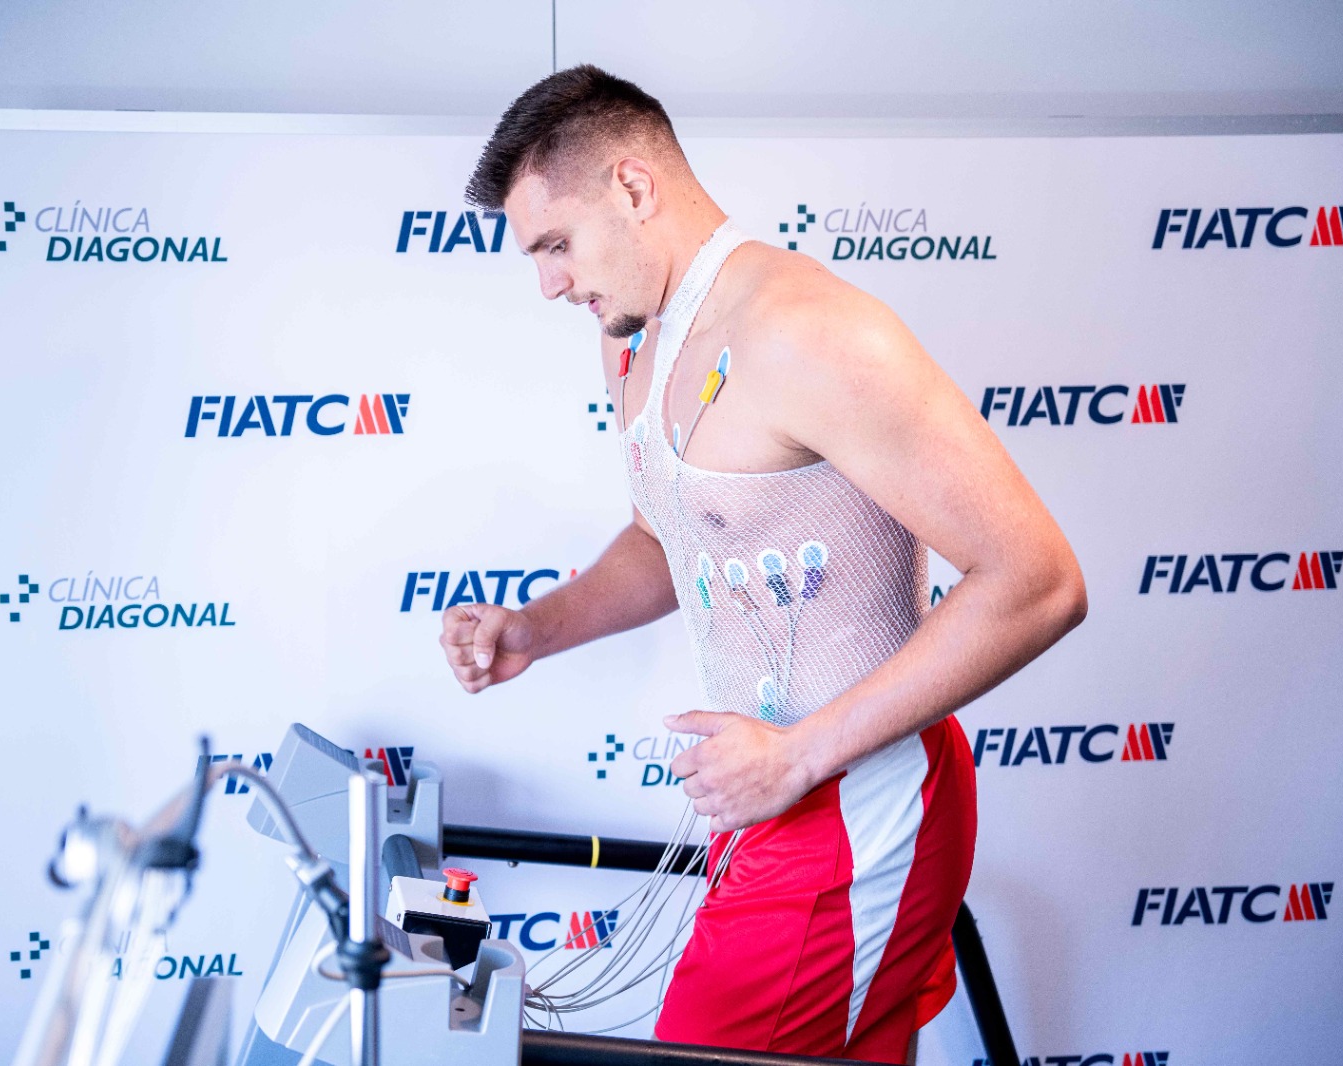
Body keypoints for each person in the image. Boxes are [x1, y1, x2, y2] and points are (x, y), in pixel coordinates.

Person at [438, 65, 1086, 1065]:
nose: (549, 284)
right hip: (770, 794)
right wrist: (535, 628)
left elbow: (1037, 579)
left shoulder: (810, 332)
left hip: (859, 799)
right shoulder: (633, 339)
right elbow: (669, 536)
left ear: (632, 186)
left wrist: (798, 757)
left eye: (555, 244)